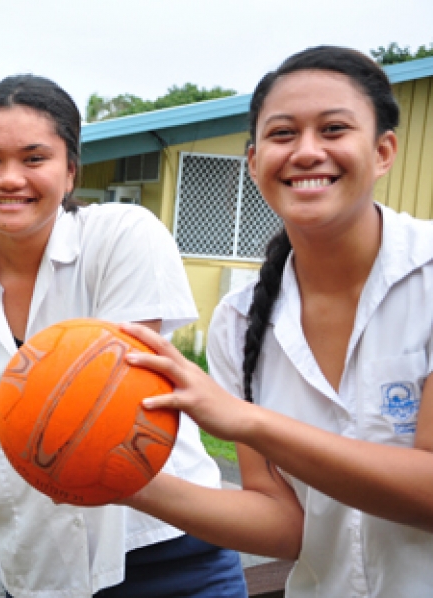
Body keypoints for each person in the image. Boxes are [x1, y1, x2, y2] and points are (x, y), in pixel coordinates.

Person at [0, 75, 247, 597]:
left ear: (70, 172)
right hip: (41, 569)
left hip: (165, 551)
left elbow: (114, 401)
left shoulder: (120, 237)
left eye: (34, 158)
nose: (9, 178)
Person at [114, 46, 433, 597]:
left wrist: (247, 420)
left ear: (383, 152)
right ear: (254, 162)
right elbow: (285, 526)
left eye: (334, 129)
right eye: (283, 134)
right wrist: (117, 480)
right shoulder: (239, 324)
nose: (307, 152)